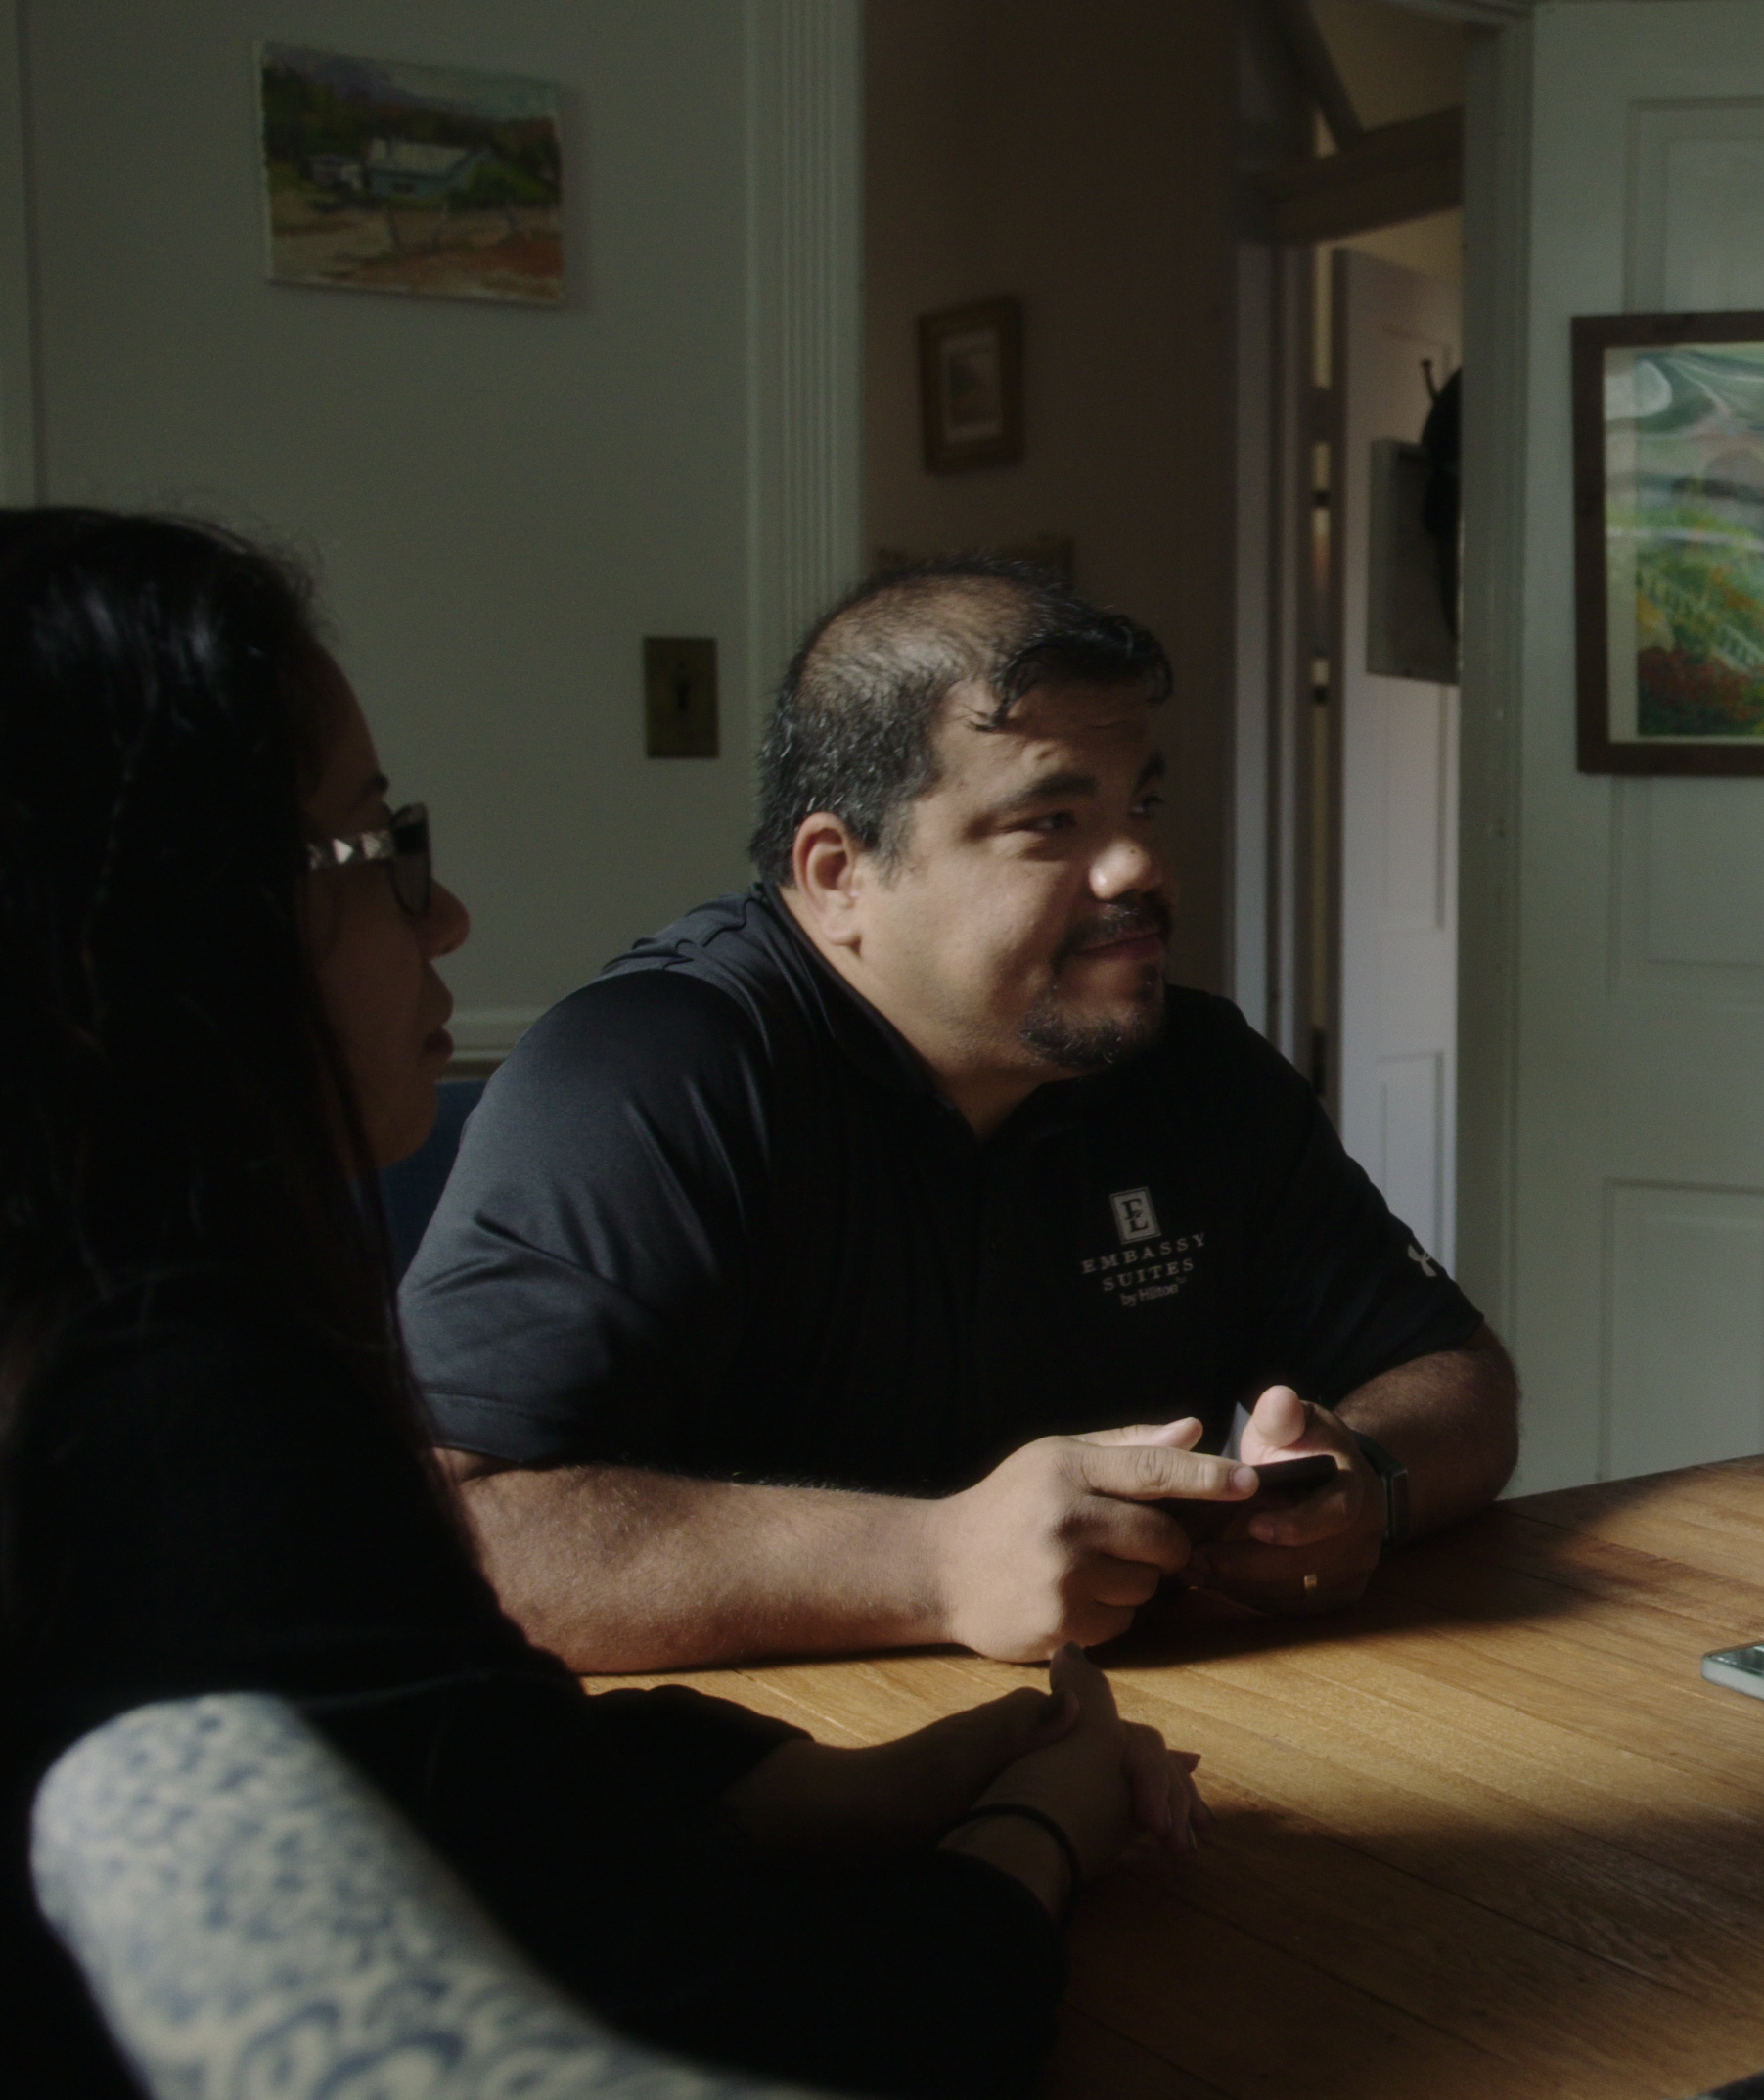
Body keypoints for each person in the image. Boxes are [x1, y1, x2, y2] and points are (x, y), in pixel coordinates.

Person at [0, 510, 1201, 2097]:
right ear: (162, 927)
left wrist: (810, 1787)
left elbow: (424, 1754)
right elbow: (797, 2033)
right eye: (379, 846)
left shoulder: (93, 1351)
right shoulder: (179, 1425)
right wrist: (1043, 1830)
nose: (446, 920)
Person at [401, 560, 1517, 1672]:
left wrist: (1365, 1483)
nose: (1139, 862)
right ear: (839, 873)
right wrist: (937, 1563)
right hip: (751, 1795)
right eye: (1051, 821)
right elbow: (461, 1535)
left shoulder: (1193, 1063)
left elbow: (1456, 1375)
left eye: (1140, 803)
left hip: (1143, 1756)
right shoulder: (647, 1075)